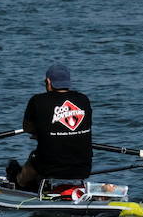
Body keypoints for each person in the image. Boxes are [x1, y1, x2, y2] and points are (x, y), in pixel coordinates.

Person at [7, 63, 92, 191]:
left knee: (34, 157)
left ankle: (20, 182)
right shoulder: (83, 100)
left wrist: (41, 133)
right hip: (84, 167)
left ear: (48, 82)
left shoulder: (37, 100)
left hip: (49, 166)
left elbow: (28, 129)